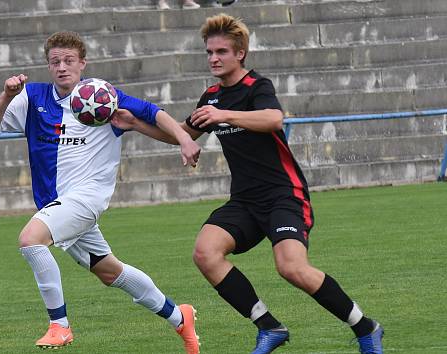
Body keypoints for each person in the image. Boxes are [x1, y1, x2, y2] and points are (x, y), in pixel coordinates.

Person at [114, 14, 385, 354]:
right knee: (205, 252)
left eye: (221, 52)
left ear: (240, 53)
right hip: (244, 200)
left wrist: (225, 115)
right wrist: (135, 124)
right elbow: (183, 133)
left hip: (284, 195)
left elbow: (273, 118)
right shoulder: (211, 96)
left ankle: (366, 327)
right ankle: (269, 326)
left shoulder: (257, 87)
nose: (214, 58)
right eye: (209, 52)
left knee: (291, 268)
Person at [0, 30, 201, 353]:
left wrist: (185, 138)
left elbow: (153, 113)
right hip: (57, 203)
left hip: (88, 197)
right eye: (55, 62)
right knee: (110, 272)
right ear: (48, 66)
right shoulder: (32, 96)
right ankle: (180, 317)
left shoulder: (100, 96)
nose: (62, 67)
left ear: (82, 63)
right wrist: (7, 95)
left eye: (69, 61)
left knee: (30, 239)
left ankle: (59, 325)